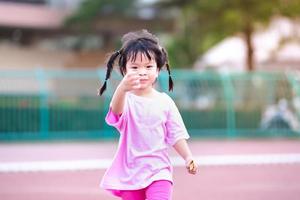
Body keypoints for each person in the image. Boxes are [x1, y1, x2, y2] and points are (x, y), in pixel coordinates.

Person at [98, 29, 198, 200]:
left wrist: (188, 156)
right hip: (130, 173)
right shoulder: (126, 100)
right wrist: (122, 88)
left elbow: (176, 134)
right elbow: (115, 110)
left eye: (149, 66)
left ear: (158, 70)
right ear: (124, 70)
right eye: (135, 67)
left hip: (159, 171)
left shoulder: (165, 102)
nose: (142, 72)